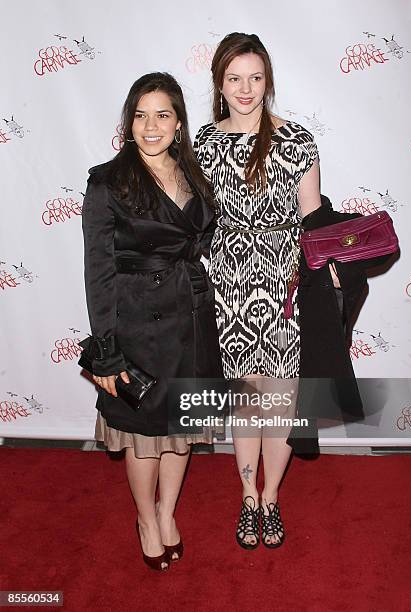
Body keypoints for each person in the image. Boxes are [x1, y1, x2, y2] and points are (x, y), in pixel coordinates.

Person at [194, 32, 347, 550]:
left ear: (269, 80)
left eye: (255, 77)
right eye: (234, 78)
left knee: (280, 404)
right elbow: (193, 219)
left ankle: (273, 497)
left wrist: (328, 276)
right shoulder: (205, 144)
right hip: (225, 288)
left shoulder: (297, 141)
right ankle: (248, 498)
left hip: (283, 286)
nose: (245, 88)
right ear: (219, 82)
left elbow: (311, 217)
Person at [82, 72, 222, 571]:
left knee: (180, 427)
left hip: (190, 317)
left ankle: (167, 511)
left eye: (162, 114)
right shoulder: (107, 182)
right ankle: (145, 517)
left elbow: (199, 240)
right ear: (129, 122)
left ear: (179, 123)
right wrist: (106, 348)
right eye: (140, 115)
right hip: (136, 321)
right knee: (144, 435)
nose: (151, 125)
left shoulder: (194, 174)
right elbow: (97, 273)